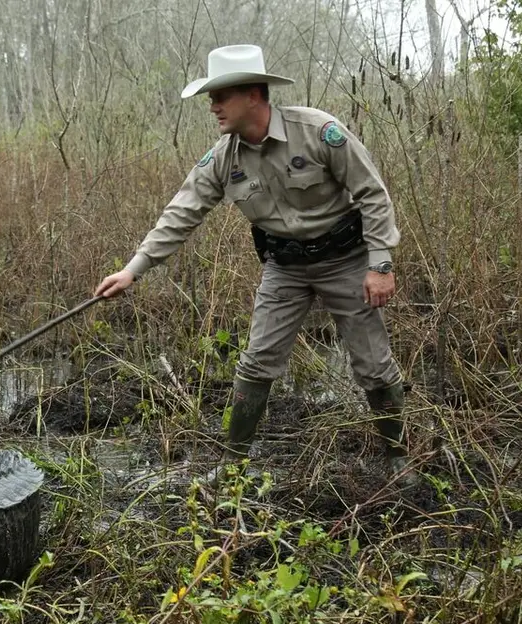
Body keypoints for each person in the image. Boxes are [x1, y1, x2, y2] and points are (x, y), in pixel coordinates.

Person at [94, 44, 414, 485]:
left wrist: (380, 264)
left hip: (345, 260)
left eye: (220, 96)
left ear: (253, 94)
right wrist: (133, 269)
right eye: (211, 98)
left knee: (374, 365)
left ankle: (398, 458)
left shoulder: (318, 131)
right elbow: (181, 214)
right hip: (284, 268)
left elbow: (372, 193)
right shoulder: (222, 159)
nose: (213, 107)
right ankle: (233, 465)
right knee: (257, 362)